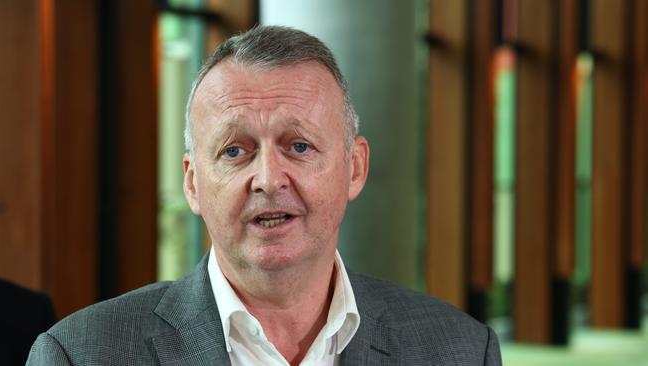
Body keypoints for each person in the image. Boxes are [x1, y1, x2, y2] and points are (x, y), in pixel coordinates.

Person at [27, 26, 502, 365]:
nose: (269, 179)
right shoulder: (82, 353)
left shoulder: (459, 350)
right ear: (192, 183)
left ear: (354, 168)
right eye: (235, 151)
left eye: (299, 146)